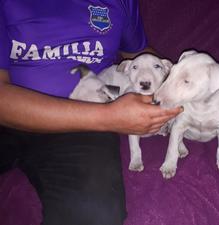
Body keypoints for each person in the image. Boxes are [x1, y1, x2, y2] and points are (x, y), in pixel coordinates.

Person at [0, 1, 182, 225]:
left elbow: (139, 54)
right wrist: (108, 117)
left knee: (94, 214)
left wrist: (189, 81)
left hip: (85, 122)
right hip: (12, 116)